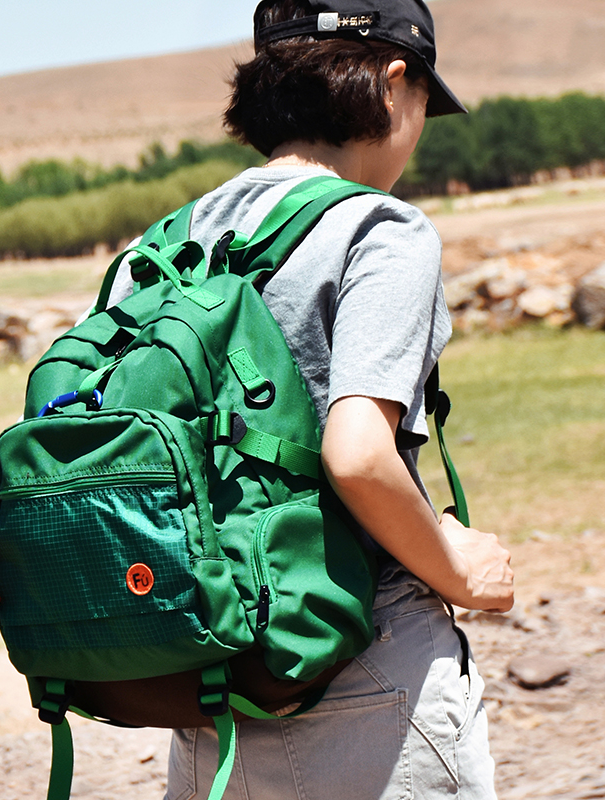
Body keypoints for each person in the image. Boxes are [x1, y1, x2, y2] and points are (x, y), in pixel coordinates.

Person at [110, 1, 515, 797]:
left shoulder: (155, 250)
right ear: (396, 81)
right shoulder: (381, 230)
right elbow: (359, 453)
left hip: (204, 686)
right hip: (364, 678)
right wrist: (460, 573)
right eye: (426, 104)